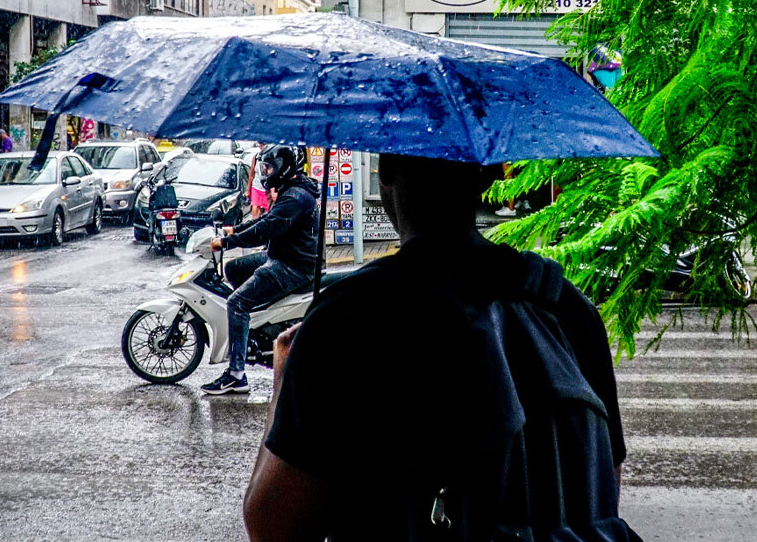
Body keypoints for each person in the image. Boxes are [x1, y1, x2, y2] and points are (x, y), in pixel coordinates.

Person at [243, 154, 627, 540]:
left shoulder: (351, 318)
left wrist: (282, 384)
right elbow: (603, 490)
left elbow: (273, 528)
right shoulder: (567, 309)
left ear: (385, 173)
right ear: (489, 175)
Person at [201, 145, 320, 396]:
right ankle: (252, 324)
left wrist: (227, 242)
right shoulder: (291, 190)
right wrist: (234, 230)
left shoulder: (296, 197)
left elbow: (266, 231)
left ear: (284, 168)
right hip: (283, 256)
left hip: (293, 265)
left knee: (237, 302)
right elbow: (265, 221)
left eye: (269, 167)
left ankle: (236, 375)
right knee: (234, 268)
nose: (265, 172)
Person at [246, 144, 271, 219]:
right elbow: (251, 175)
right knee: (255, 210)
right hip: (256, 187)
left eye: (263, 143)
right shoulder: (256, 157)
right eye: (259, 143)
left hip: (267, 189)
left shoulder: (270, 157)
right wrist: (248, 190)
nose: (260, 145)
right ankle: (255, 228)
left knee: (268, 213)